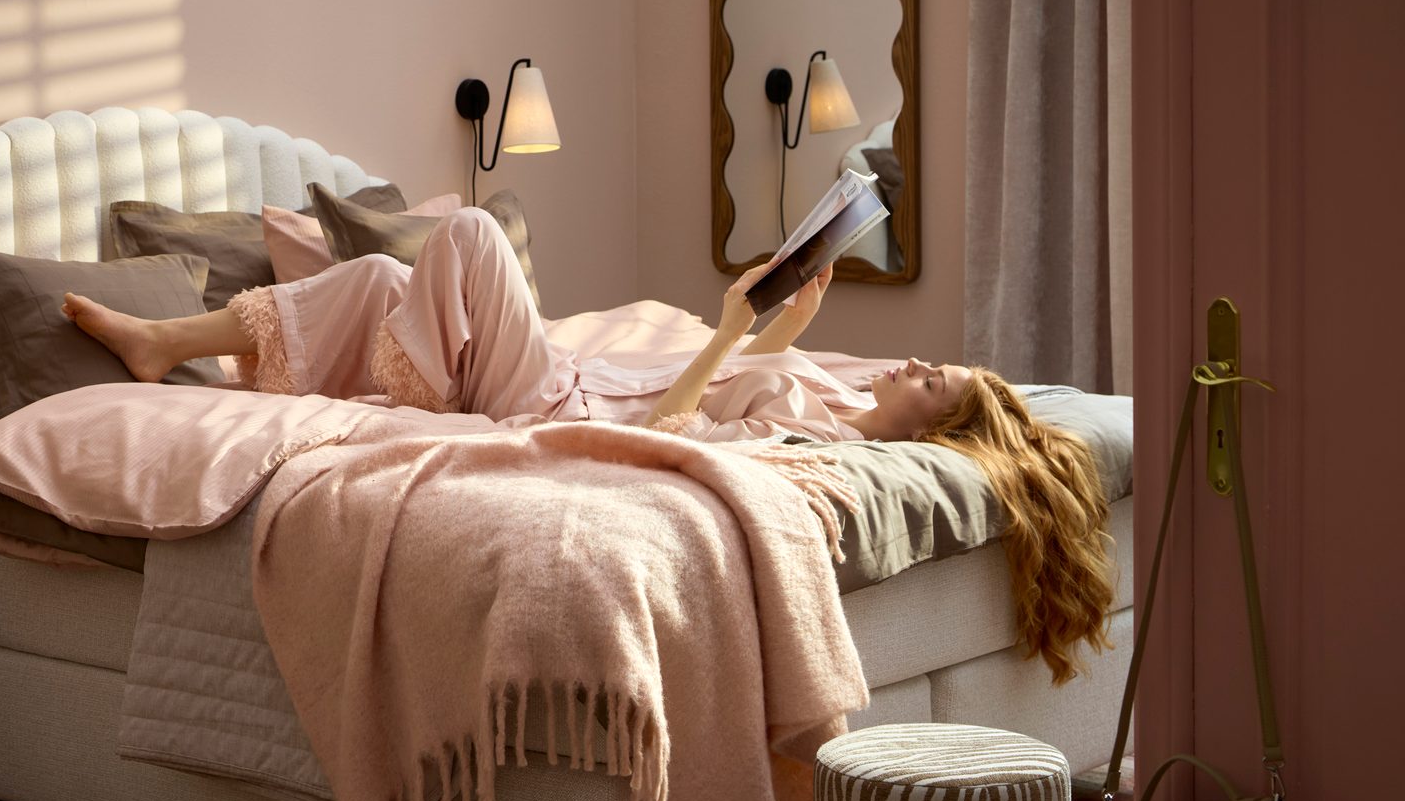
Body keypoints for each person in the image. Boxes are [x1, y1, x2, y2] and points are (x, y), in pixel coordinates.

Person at [63, 208, 1112, 682]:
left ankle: (411, 393)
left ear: (935, 425)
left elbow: (667, 433)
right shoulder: (826, 393)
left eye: (931, 381)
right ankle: (164, 344)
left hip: (571, 411)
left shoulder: (806, 431)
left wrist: (736, 336)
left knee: (467, 237)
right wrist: (779, 315)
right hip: (585, 376)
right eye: (928, 363)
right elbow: (742, 369)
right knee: (387, 281)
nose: (911, 366)